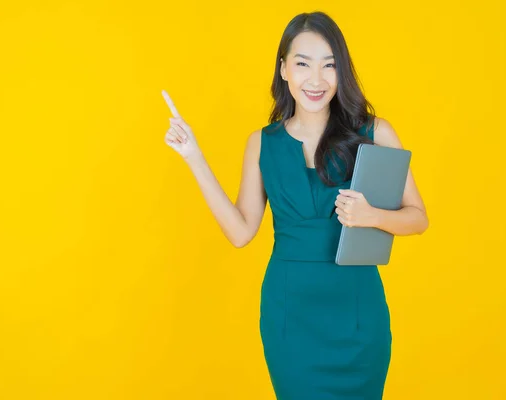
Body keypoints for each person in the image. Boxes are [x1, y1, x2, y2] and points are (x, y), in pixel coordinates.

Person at [162, 11, 428, 400]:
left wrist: (372, 216)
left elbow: (418, 218)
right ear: (284, 69)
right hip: (291, 320)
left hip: (357, 317)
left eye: (329, 65)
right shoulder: (262, 143)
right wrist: (193, 157)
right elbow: (240, 233)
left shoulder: (374, 133)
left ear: (342, 71)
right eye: (303, 64)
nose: (316, 79)